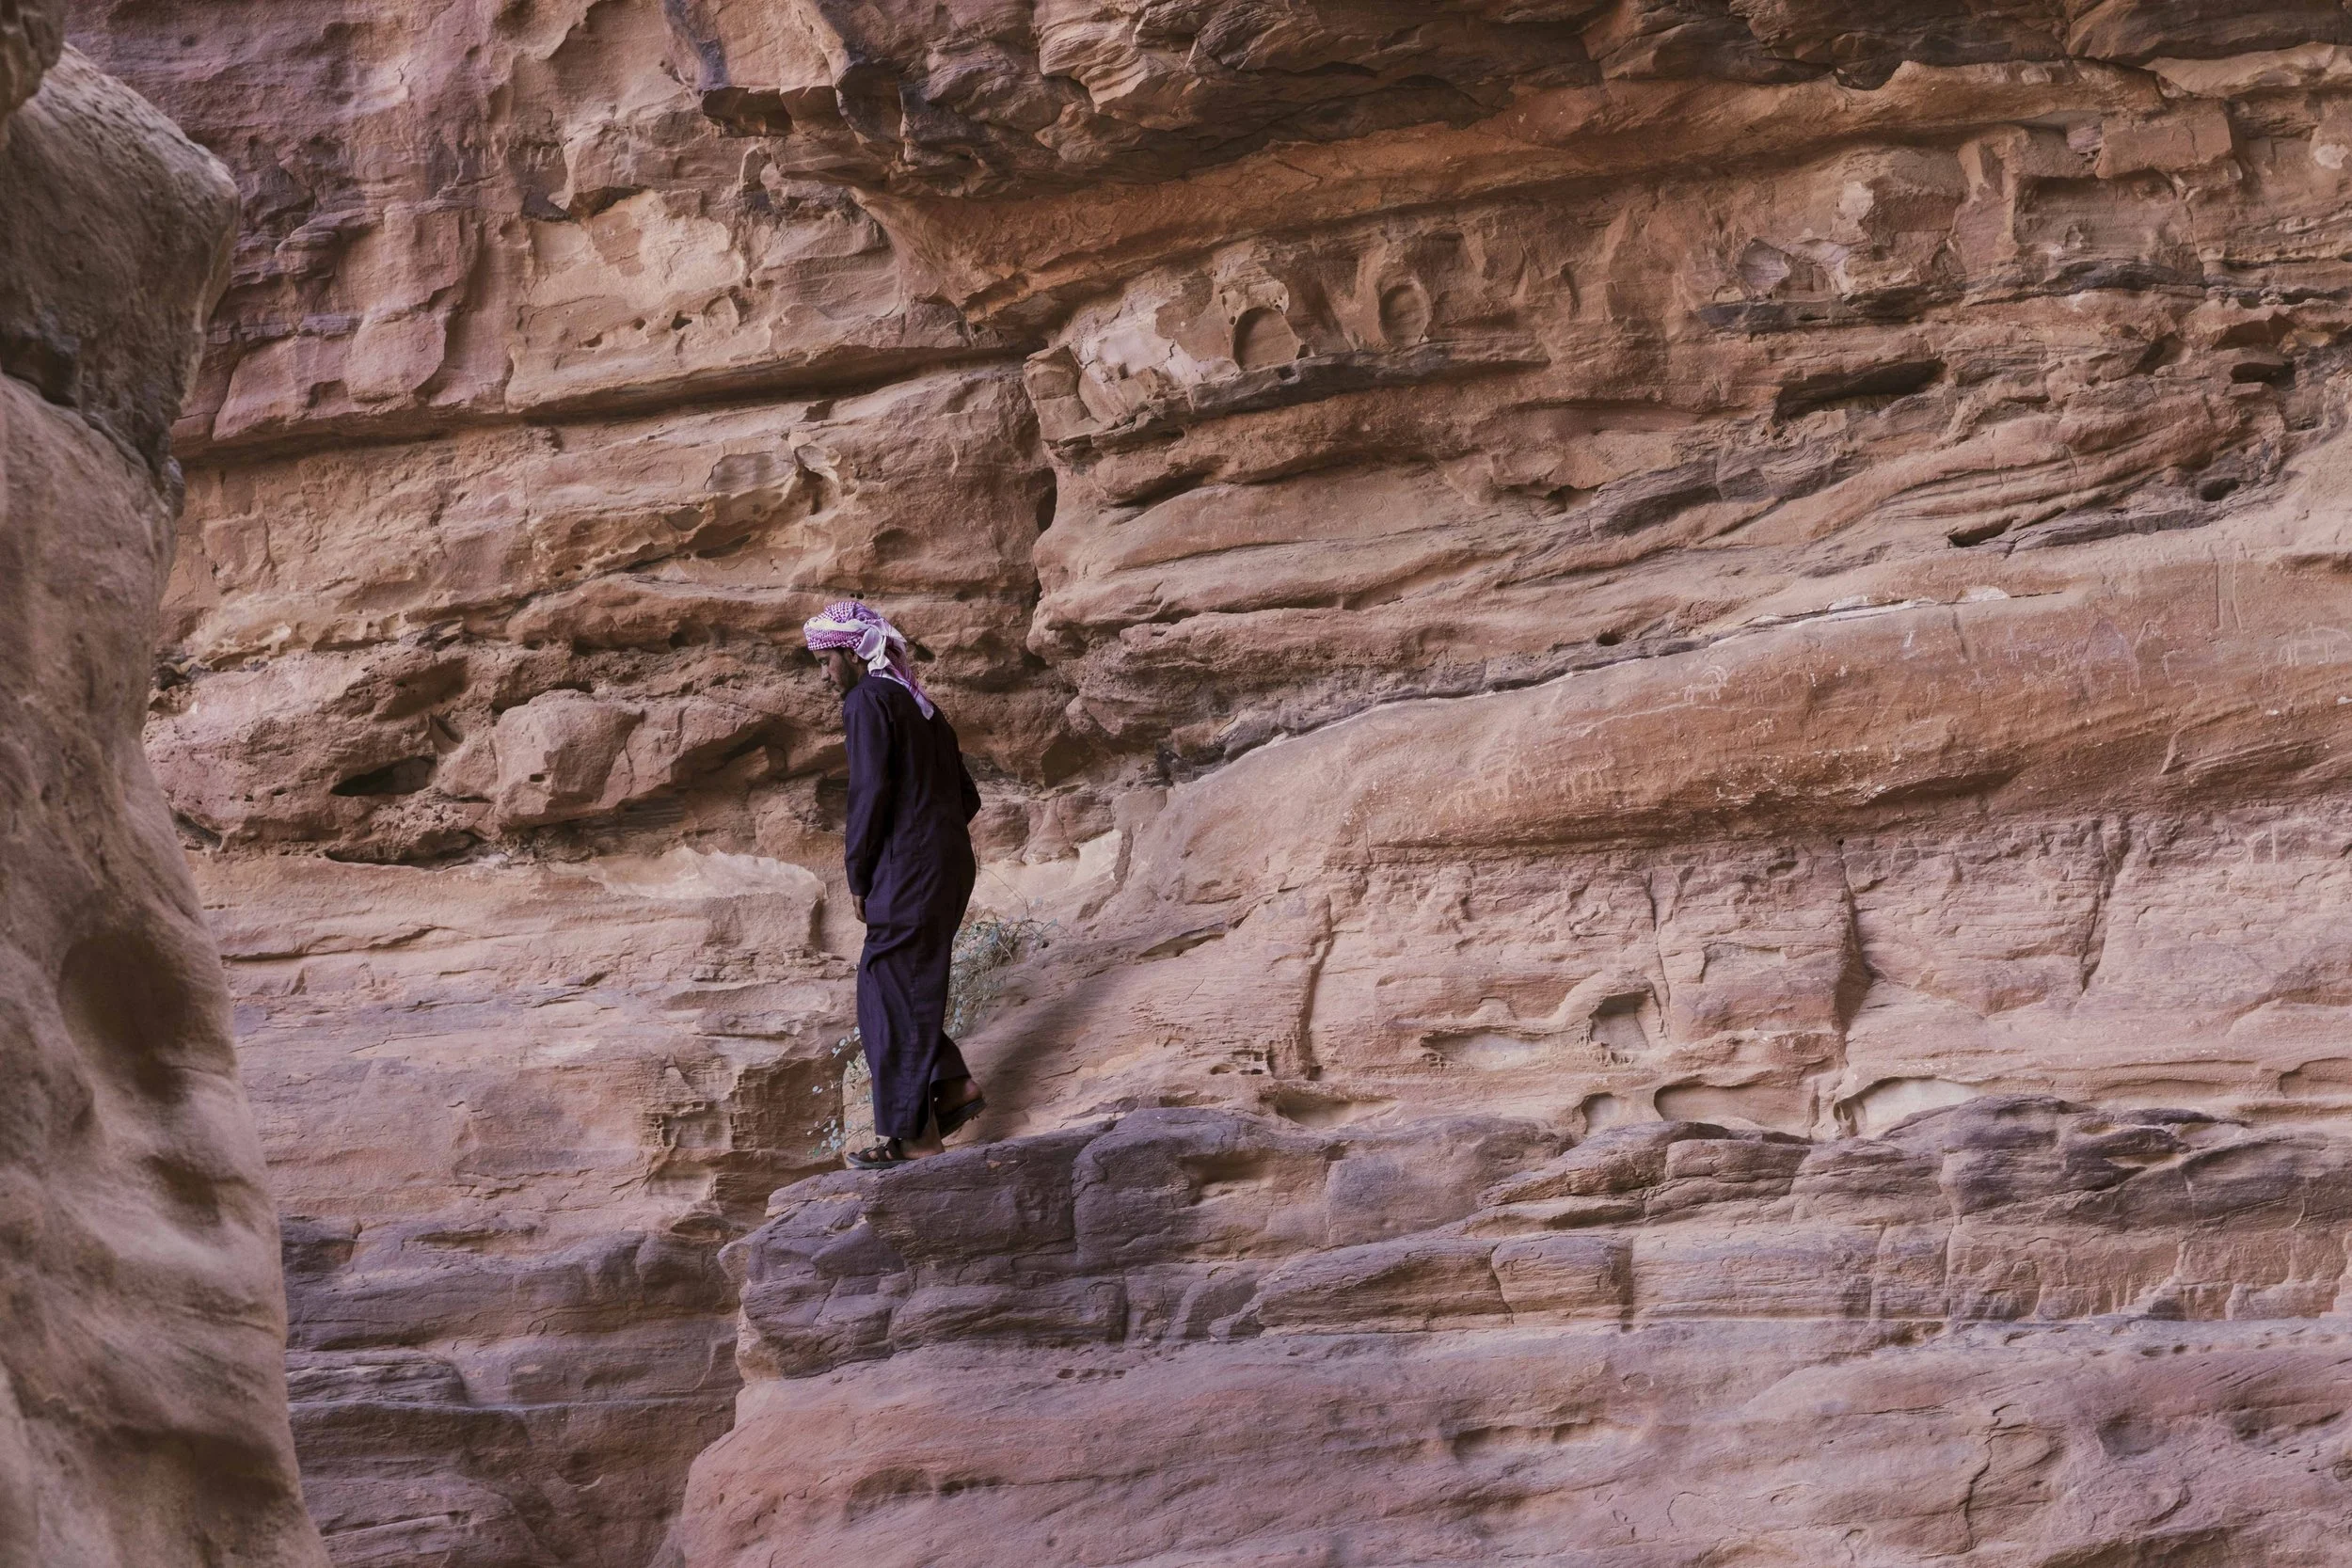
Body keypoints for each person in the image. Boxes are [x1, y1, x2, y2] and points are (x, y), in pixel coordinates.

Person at [803, 601, 987, 1168]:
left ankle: (914, 1138)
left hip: (907, 870)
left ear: (853, 653)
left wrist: (860, 872)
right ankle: (951, 1085)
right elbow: (969, 798)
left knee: (884, 992)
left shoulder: (868, 700)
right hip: (947, 865)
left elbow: (869, 794)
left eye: (828, 658)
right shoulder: (924, 707)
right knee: (901, 986)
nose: (825, 672)